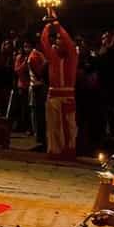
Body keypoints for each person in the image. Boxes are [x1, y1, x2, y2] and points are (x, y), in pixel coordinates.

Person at [41, 17, 78, 158]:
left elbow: (69, 43)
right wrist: (48, 26)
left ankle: (68, 151)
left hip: (67, 96)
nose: (57, 41)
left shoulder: (72, 56)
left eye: (60, 39)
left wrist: (57, 26)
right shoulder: (53, 56)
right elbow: (44, 41)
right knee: (53, 125)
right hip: (53, 95)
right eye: (56, 39)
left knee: (69, 125)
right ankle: (55, 151)